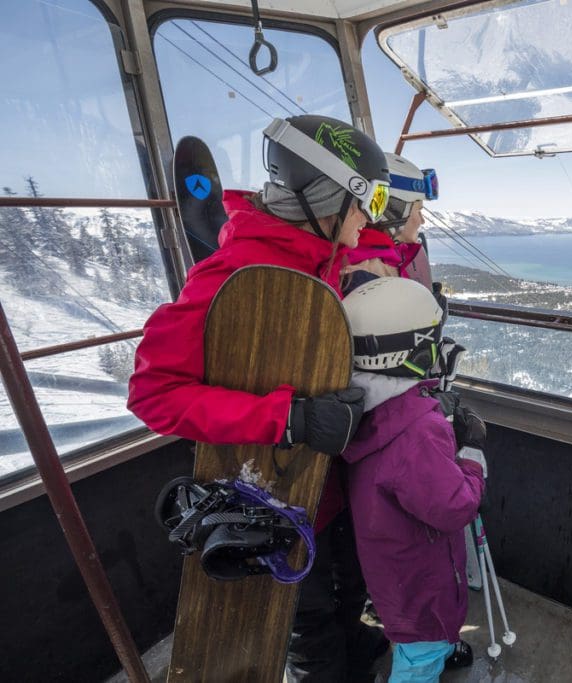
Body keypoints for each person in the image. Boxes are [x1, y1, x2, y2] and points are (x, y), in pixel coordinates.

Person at [127, 114, 394, 682]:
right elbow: (153, 393)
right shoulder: (236, 277)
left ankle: (359, 656)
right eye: (368, 197)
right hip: (281, 495)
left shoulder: (324, 256)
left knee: (351, 594)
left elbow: (372, 243)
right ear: (329, 198)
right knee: (308, 621)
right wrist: (288, 418)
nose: (373, 216)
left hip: (336, 486)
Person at [338, 276, 486, 682]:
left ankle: (440, 648)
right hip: (424, 582)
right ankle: (430, 658)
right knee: (418, 658)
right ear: (415, 351)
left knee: (414, 635)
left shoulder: (360, 410)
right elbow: (455, 506)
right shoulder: (416, 433)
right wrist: (472, 454)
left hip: (393, 569)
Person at [344, 152, 437, 282]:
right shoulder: (366, 273)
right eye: (419, 211)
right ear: (394, 211)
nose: (422, 220)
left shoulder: (389, 257)